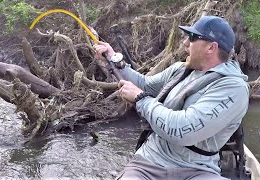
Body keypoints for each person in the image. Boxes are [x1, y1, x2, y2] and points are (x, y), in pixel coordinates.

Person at [94, 16, 249, 180]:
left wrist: (141, 100)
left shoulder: (234, 89)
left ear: (211, 48)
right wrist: (116, 62)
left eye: (192, 38)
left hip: (198, 171)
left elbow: (182, 130)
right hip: (148, 164)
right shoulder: (180, 69)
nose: (185, 43)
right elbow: (146, 85)